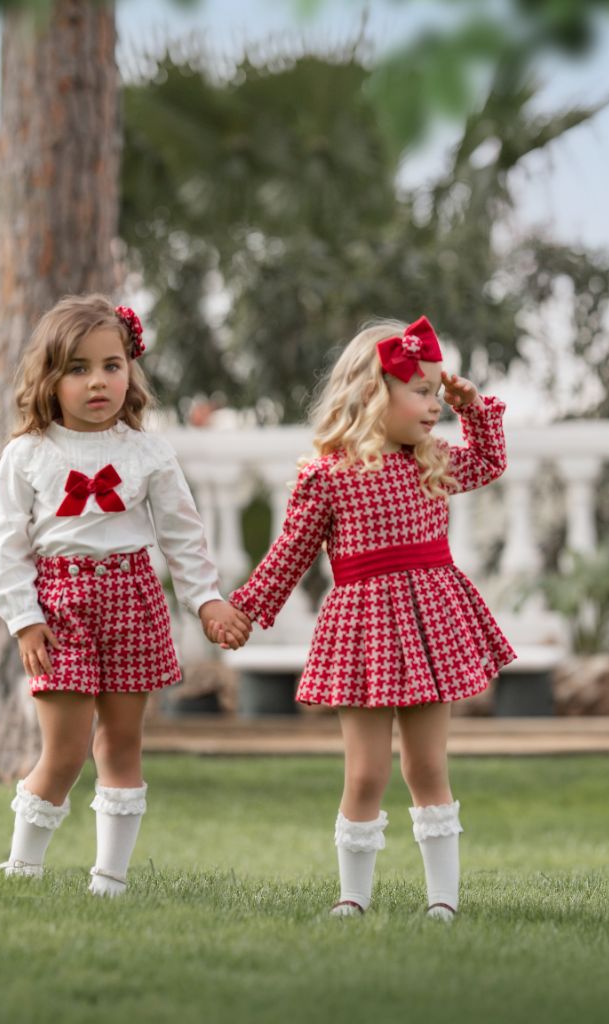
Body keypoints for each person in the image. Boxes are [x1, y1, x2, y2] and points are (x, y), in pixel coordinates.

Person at [217, 315, 516, 921]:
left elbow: (489, 463)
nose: (433, 406)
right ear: (374, 393)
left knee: (428, 765)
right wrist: (243, 610)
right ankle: (352, 896)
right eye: (422, 391)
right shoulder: (326, 477)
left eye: (437, 393)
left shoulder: (433, 461)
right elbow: (290, 554)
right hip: (365, 631)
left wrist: (474, 407)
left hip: (432, 621)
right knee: (366, 773)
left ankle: (443, 901)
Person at [0, 293, 250, 894]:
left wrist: (206, 599)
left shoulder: (148, 453)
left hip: (133, 602)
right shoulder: (27, 454)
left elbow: (183, 535)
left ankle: (110, 877)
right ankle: (22, 870)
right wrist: (25, 619)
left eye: (111, 365)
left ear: (130, 371)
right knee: (66, 749)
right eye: (78, 369)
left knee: (123, 743)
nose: (98, 381)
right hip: (61, 609)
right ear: (49, 379)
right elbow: (7, 546)